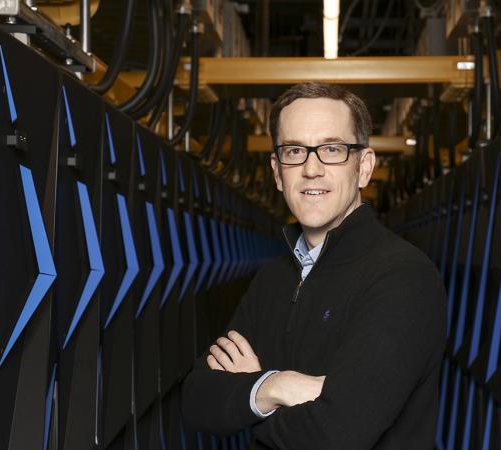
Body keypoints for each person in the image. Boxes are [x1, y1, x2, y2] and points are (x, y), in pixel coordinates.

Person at [181, 82, 447, 449]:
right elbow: (197, 402)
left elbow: (337, 434)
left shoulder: (403, 278)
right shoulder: (274, 277)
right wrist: (277, 385)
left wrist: (251, 393)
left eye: (332, 149)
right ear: (277, 172)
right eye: (294, 151)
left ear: (364, 167)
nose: (311, 169)